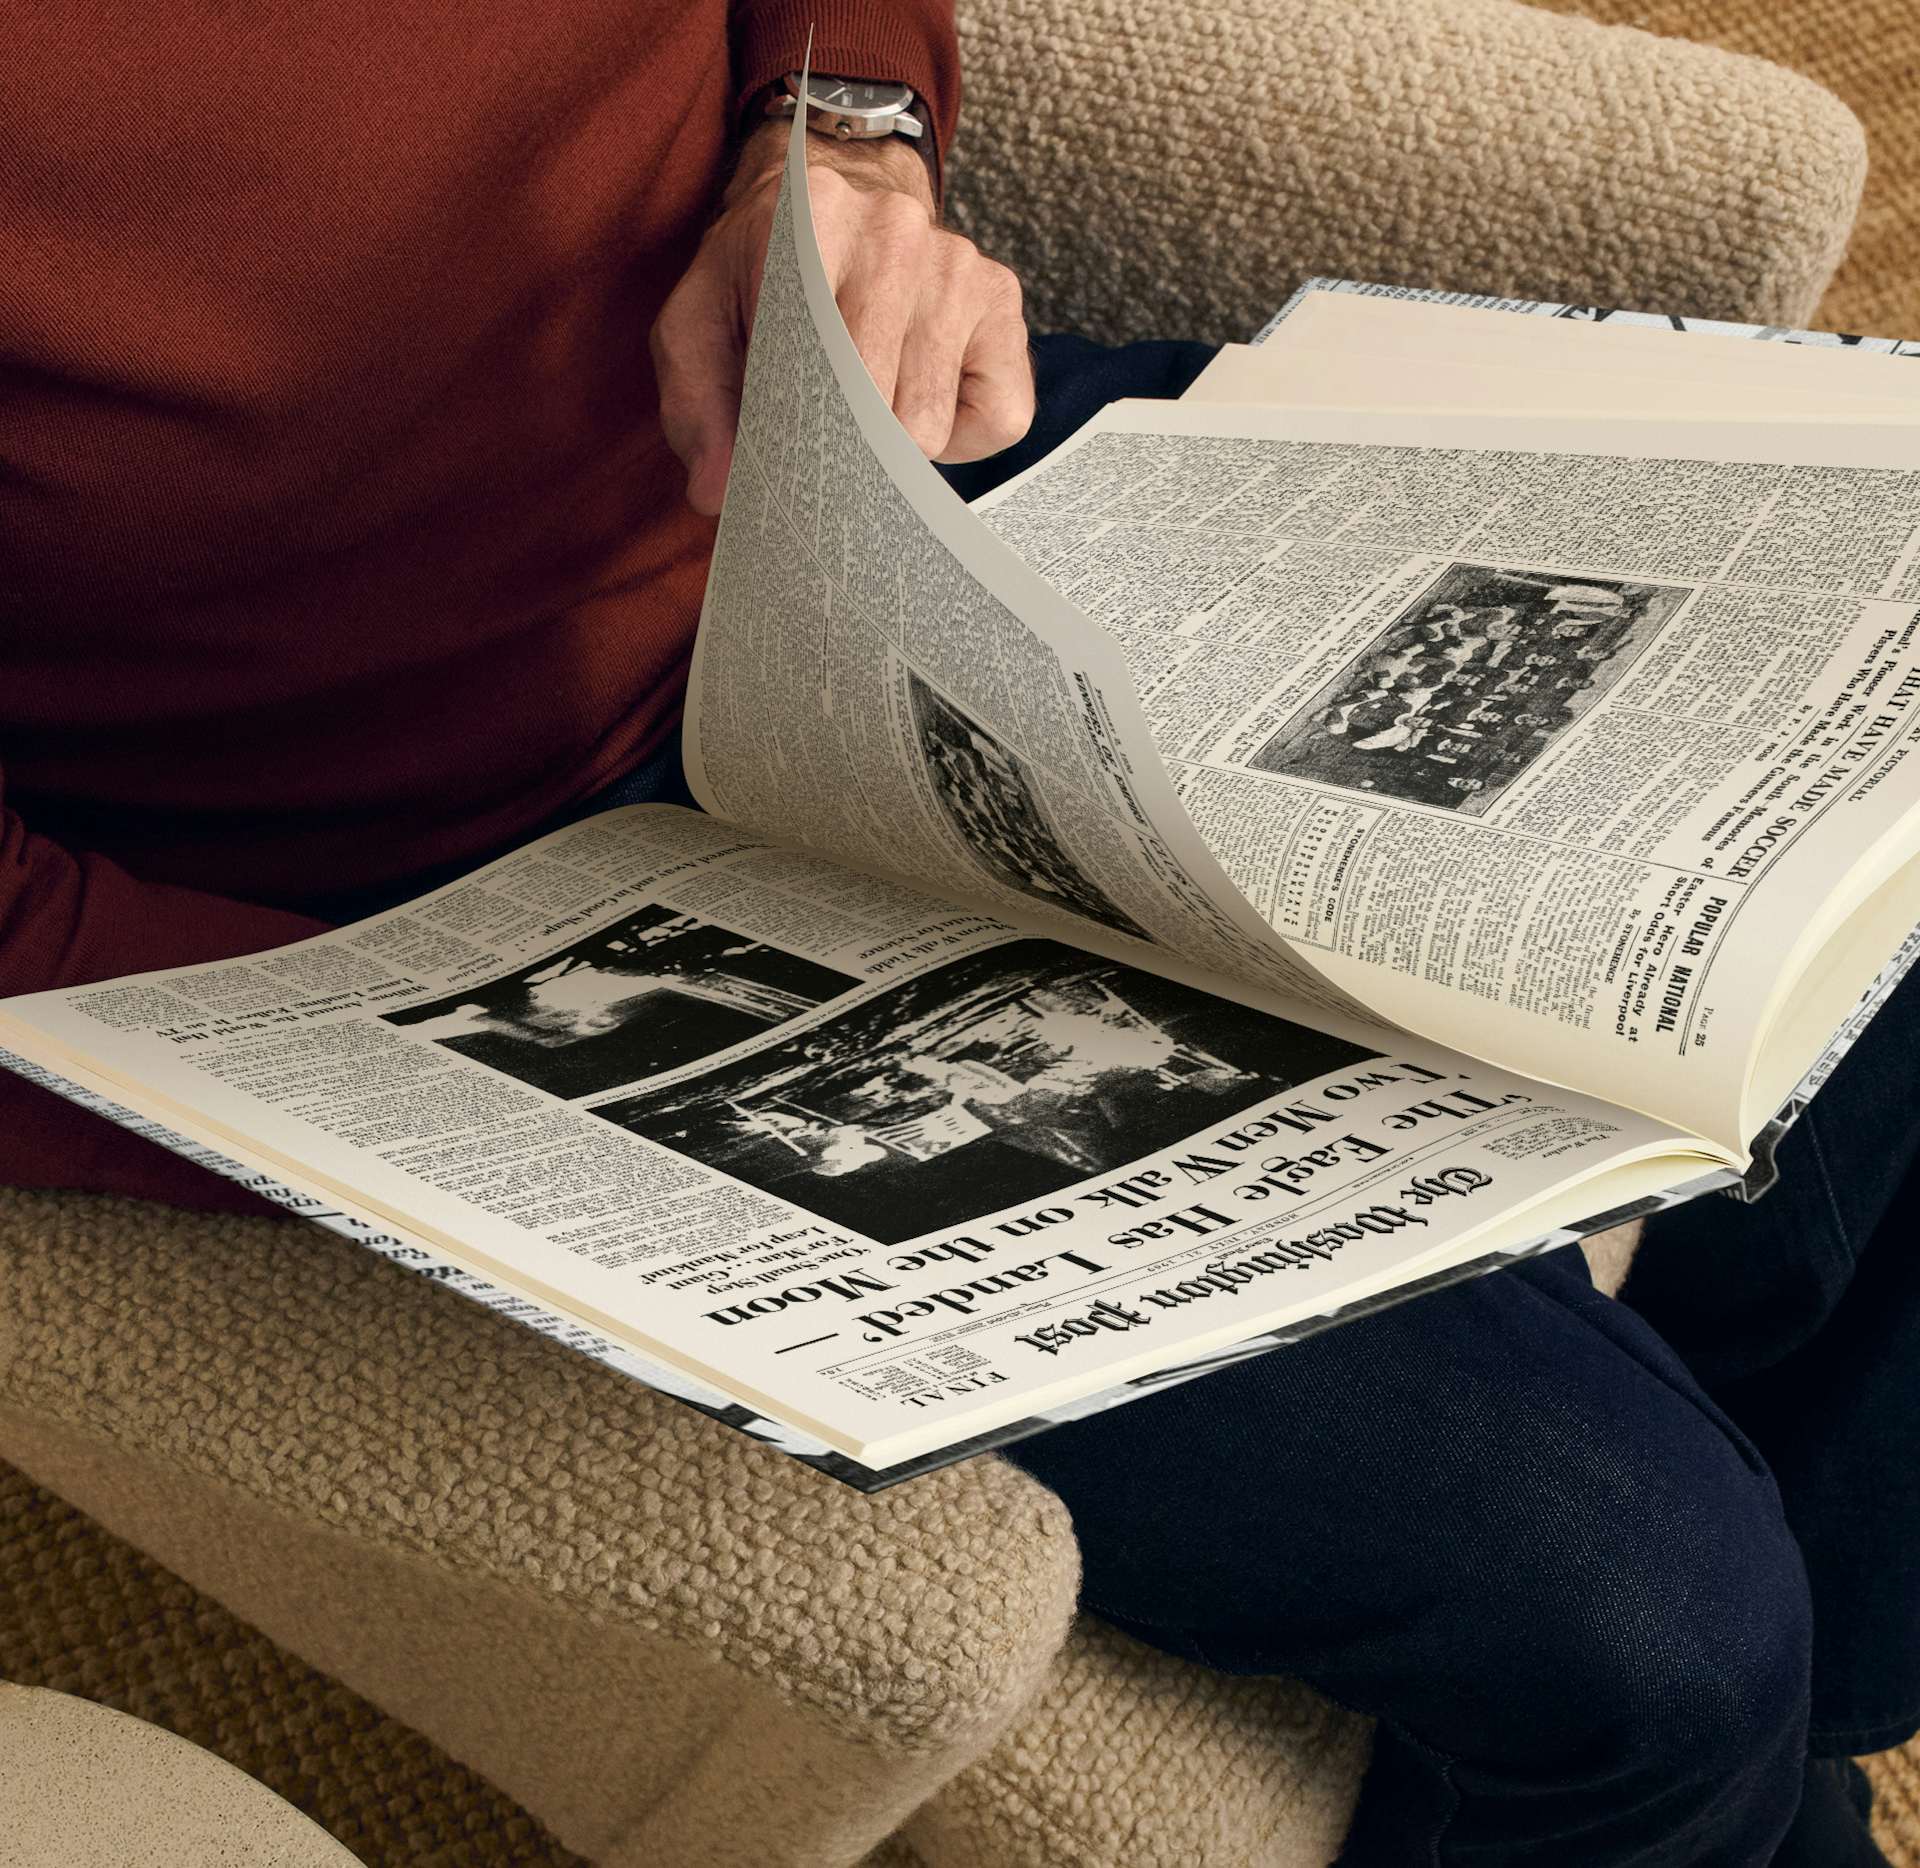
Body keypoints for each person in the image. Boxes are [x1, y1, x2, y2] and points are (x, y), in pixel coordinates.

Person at [1, 6, 1911, 1864]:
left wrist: (833, 132)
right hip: (412, 871)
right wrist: (355, 1088)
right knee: (1653, 1630)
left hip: (880, 480)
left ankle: (1793, 1748)